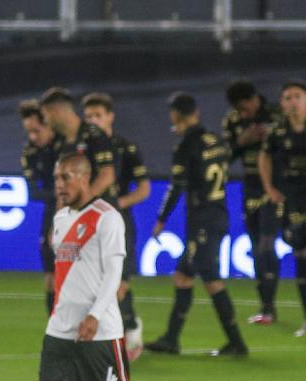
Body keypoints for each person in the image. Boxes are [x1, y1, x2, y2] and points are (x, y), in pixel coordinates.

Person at [32, 153, 171, 381]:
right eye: (56, 177)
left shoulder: (107, 218)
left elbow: (114, 274)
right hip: (61, 325)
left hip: (101, 327)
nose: (59, 185)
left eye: (65, 178)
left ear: (83, 177)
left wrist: (95, 314)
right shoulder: (61, 217)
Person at [147, 92, 249, 356]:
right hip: (218, 215)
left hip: (202, 221)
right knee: (183, 275)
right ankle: (171, 338)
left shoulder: (185, 147)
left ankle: (237, 342)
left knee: (211, 279)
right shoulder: (216, 140)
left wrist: (161, 219)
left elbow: (177, 187)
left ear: (177, 117)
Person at [82, 91, 151, 361]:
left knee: (119, 283)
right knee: (95, 282)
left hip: (119, 222)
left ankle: (130, 327)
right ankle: (113, 334)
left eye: (97, 115)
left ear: (110, 116)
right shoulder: (81, 148)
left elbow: (144, 188)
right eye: (88, 116)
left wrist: (118, 202)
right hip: (88, 222)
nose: (92, 121)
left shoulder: (126, 148)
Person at [222, 81, 284, 324]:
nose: (241, 113)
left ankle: (268, 307)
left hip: (276, 186)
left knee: (266, 244)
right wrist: (241, 142)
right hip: (250, 186)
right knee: (256, 243)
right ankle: (266, 307)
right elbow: (222, 158)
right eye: (237, 109)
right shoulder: (232, 121)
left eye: (244, 108)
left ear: (254, 100)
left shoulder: (277, 115)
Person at [259, 80, 306, 338]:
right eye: (287, 98)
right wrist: (268, 187)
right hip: (294, 203)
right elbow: (264, 156)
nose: (293, 102)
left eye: (297, 96)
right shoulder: (278, 133)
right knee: (301, 257)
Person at [39, 87, 117, 206]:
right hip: (76, 214)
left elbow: (107, 176)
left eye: (45, 115)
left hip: (100, 213)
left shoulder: (94, 134)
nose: (45, 121)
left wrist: (82, 206)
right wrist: (60, 219)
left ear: (56, 111)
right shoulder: (59, 143)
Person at [19, 99, 60, 315]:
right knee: (50, 276)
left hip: (78, 214)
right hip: (52, 213)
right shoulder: (30, 153)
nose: (33, 137)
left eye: (36, 131)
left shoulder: (67, 146)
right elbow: (34, 192)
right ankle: (54, 329)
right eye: (29, 132)